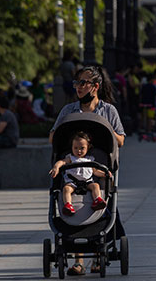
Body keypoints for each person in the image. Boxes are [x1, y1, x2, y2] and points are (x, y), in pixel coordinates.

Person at [48, 65, 126, 277]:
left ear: (95, 86)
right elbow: (53, 137)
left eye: (83, 83)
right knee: (73, 206)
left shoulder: (108, 110)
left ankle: (100, 255)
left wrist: (105, 127)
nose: (78, 87)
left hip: (97, 170)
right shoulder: (68, 111)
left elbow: (120, 140)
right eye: (77, 83)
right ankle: (78, 261)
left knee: (101, 202)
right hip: (71, 171)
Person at [49, 130, 107, 214]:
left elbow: (95, 171)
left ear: (88, 147)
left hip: (87, 182)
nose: (79, 151)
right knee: (66, 189)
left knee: (96, 186)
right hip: (72, 182)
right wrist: (56, 167)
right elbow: (61, 162)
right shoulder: (70, 158)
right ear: (72, 147)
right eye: (75, 148)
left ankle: (97, 200)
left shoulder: (90, 159)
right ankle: (68, 205)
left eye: (82, 148)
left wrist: (104, 174)